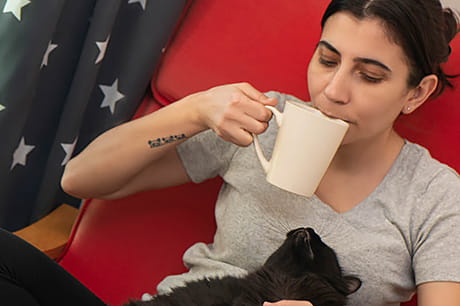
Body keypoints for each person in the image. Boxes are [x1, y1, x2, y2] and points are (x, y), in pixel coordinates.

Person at [1, 0, 459, 305]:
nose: (333, 91)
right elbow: (79, 179)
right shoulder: (264, 119)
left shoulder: (435, 195)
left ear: (416, 93)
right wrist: (193, 110)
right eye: (327, 59)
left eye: (370, 75)